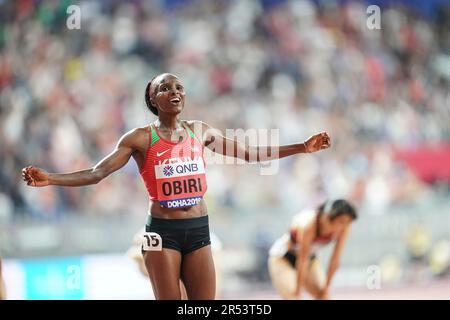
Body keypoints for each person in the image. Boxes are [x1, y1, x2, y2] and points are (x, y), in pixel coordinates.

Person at [22, 73, 331, 300]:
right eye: (165, 88)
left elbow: (250, 153)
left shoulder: (200, 131)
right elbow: (97, 172)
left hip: (198, 229)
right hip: (161, 233)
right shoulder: (139, 138)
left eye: (179, 87)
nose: (175, 92)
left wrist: (302, 147)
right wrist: (51, 179)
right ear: (153, 100)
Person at [268, 199, 357, 300]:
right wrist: (297, 291)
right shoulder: (308, 225)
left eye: (347, 222)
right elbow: (302, 260)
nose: (344, 226)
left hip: (309, 259)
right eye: (341, 222)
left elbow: (335, 260)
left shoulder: (344, 227)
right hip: (283, 258)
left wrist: (325, 289)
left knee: (324, 297)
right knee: (292, 297)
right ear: (329, 218)